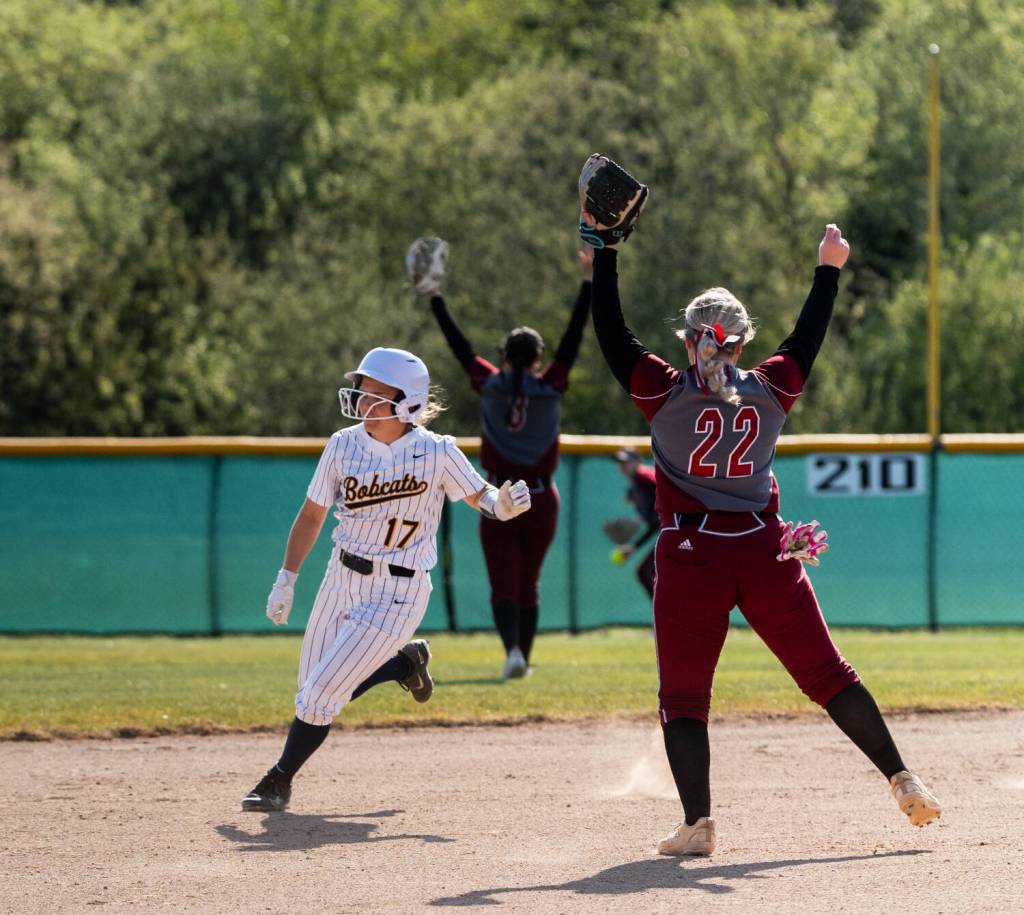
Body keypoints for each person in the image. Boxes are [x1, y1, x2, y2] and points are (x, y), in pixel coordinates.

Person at [584, 201, 942, 855]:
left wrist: (603, 249)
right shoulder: (771, 388)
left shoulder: (663, 391)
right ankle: (902, 775)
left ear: (689, 338)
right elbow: (807, 337)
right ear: (742, 342)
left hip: (692, 552)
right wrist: (827, 270)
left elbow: (612, 332)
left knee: (685, 698)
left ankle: (698, 826)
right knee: (830, 675)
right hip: (766, 545)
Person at [241, 346, 532, 812]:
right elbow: (313, 515)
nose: (362, 403)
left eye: (375, 395)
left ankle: (278, 780)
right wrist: (286, 578)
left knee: (320, 695)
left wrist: (504, 505)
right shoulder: (342, 445)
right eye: (361, 391)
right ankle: (403, 665)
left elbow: (482, 496)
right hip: (342, 576)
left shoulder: (437, 452)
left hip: (399, 588)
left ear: (408, 403)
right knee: (311, 691)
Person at [410, 238, 593, 679]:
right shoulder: (550, 387)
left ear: (504, 357)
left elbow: (459, 347)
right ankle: (522, 659)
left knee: (502, 584)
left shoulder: (489, 384)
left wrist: (436, 297)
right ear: (537, 359)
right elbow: (573, 338)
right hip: (542, 497)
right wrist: (588, 281)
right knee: (528, 583)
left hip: (494, 493)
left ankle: (512, 651)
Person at [611, 448, 659, 599]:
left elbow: (661, 516)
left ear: (637, 461)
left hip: (681, 530)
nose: (623, 465)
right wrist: (634, 545)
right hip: (670, 530)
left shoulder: (645, 477)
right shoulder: (634, 488)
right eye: (620, 462)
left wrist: (635, 546)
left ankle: (666, 617)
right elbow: (655, 521)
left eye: (627, 461)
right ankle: (666, 617)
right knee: (646, 573)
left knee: (646, 572)